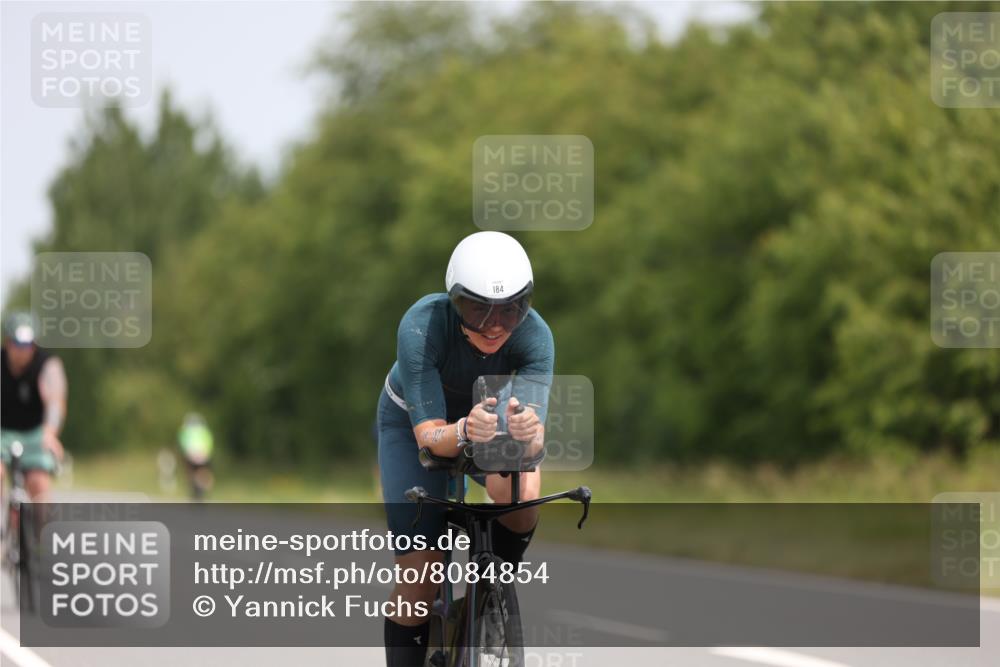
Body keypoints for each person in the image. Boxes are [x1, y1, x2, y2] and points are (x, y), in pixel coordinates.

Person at [377, 231, 554, 667]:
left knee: (519, 492)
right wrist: (462, 430)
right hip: (415, 422)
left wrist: (528, 431)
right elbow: (430, 439)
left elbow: (532, 440)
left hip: (488, 419)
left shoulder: (535, 338)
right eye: (479, 310)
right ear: (455, 301)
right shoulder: (422, 324)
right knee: (420, 576)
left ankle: (492, 581)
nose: (495, 326)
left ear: (526, 305)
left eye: (511, 311)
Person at [1, 312, 67, 500]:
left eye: (28, 344)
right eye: (17, 344)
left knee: (39, 483)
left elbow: (55, 401)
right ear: (7, 342)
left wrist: (50, 433)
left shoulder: (47, 364)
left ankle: (40, 528)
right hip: (2, 432)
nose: (22, 350)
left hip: (35, 434)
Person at [178, 412, 215, 501]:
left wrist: (186, 453)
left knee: (191, 472)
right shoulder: (204, 430)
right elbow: (209, 442)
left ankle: (194, 489)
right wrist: (207, 453)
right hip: (203, 455)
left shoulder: (186, 430)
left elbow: (182, 442)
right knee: (203, 473)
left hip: (191, 455)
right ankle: (205, 489)